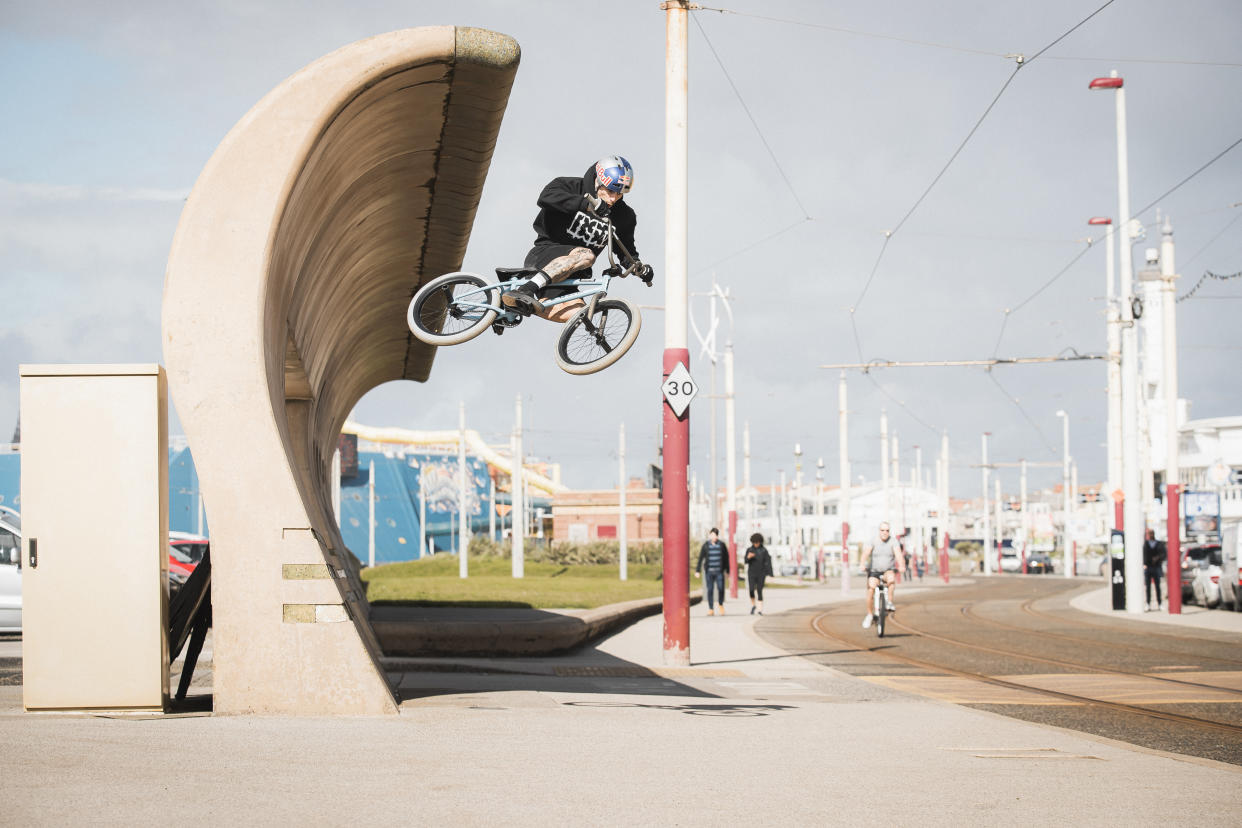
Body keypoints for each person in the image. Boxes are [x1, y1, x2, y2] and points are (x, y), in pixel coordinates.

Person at [502, 155, 654, 321]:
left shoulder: (624, 216)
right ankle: (526, 289)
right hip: (545, 253)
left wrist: (639, 267)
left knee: (581, 315)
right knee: (587, 255)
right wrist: (586, 205)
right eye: (609, 191)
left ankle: (513, 305)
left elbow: (625, 250)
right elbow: (545, 197)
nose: (613, 199)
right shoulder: (570, 186)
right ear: (598, 182)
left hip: (571, 275)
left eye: (619, 194)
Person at [859, 521, 906, 629]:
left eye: (887, 530)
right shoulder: (873, 541)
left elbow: (898, 554)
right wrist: (862, 564)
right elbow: (866, 553)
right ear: (879, 531)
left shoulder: (893, 542)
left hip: (887, 570)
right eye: (882, 530)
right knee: (871, 588)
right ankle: (870, 614)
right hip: (874, 571)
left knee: (891, 579)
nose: (885, 532)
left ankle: (889, 602)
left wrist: (902, 565)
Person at [696, 528, 730, 616]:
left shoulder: (722, 545)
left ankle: (720, 604)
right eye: (712, 535)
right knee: (710, 590)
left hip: (719, 572)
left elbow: (726, 559)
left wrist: (727, 571)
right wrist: (697, 571)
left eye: (715, 535)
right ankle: (711, 608)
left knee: (721, 588)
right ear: (710, 535)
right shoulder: (706, 545)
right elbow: (700, 558)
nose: (714, 537)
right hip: (709, 572)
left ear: (717, 536)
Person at [743, 532, 774, 615]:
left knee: (760, 590)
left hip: (761, 573)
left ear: (760, 542)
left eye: (757, 542)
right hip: (752, 573)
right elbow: (745, 561)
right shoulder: (749, 550)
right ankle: (753, 605)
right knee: (751, 590)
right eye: (754, 542)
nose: (756, 544)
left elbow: (768, 562)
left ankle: (760, 609)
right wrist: (748, 557)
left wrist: (771, 574)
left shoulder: (764, 550)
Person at [1143, 528, 1166, 611]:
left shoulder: (1159, 544)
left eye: (1152, 533)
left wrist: (1158, 558)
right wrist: (1145, 563)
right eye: (1149, 534)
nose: (1151, 535)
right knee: (1148, 587)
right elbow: (1144, 555)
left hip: (1156, 567)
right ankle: (1148, 604)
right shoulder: (1146, 544)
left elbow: (1163, 554)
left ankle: (1160, 603)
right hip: (1148, 567)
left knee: (1157, 586)